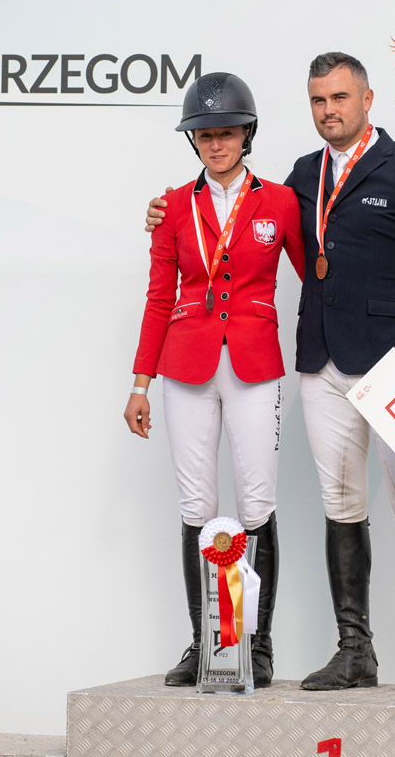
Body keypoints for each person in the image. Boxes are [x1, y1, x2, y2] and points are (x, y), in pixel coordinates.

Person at [147, 53, 395, 697]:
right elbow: (243, 213)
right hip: (322, 363)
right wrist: (165, 214)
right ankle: (355, 652)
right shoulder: (301, 176)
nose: (329, 110)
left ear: (368, 99)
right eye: (319, 100)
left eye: (340, 98)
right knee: (341, 505)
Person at [124, 71, 304, 688]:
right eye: (205, 135)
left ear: (247, 134)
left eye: (226, 133)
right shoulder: (172, 206)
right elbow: (158, 297)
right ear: (193, 140)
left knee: (256, 502)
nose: (216, 144)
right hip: (186, 366)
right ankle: (206, 643)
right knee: (197, 504)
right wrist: (140, 383)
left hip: (253, 363)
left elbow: (318, 275)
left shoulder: (280, 202)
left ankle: (258, 647)